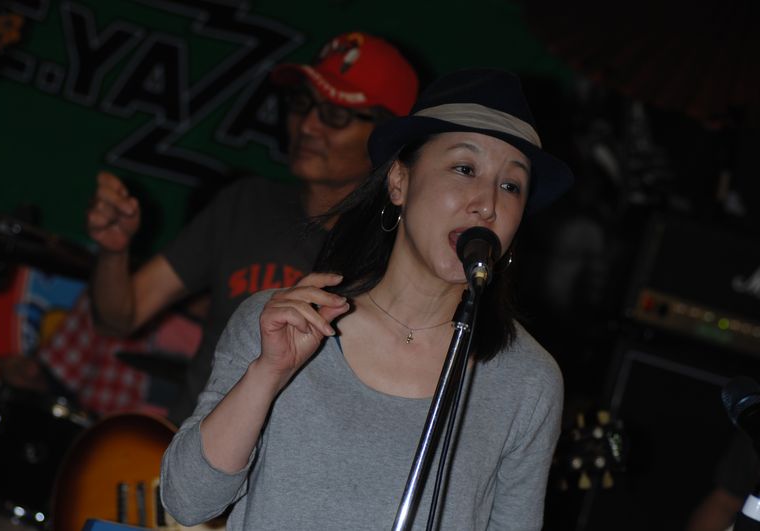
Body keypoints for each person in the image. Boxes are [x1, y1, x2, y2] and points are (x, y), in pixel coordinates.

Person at [160, 68, 575, 529]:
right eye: (464, 169)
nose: (487, 204)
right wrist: (267, 374)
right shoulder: (283, 323)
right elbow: (187, 501)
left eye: (511, 185)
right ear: (399, 181)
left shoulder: (527, 382)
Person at [86, 32, 419, 424]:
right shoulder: (245, 204)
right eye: (301, 103)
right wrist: (114, 252)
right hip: (188, 448)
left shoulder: (396, 255)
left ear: (386, 139)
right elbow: (119, 317)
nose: (308, 126)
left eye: (335, 115)